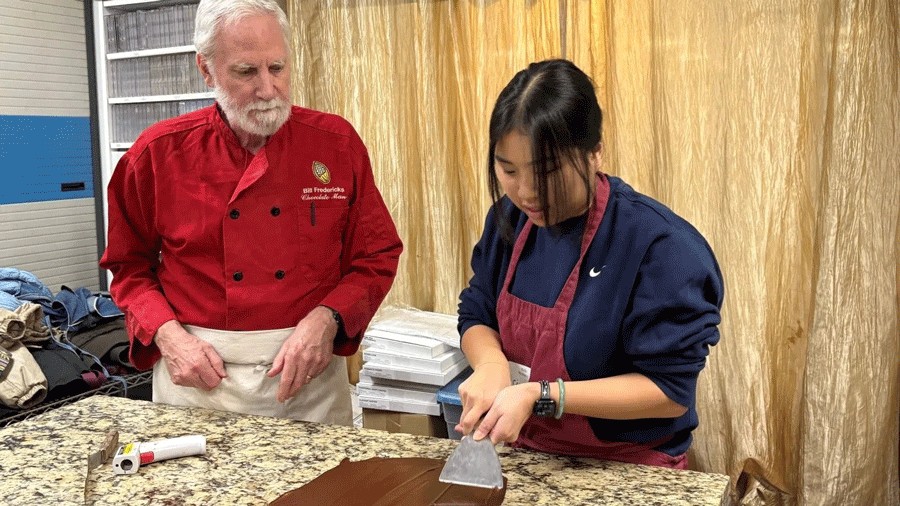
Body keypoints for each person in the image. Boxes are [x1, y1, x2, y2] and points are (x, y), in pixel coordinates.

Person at [100, 0, 402, 425]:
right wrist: (167, 337)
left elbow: (377, 255)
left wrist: (329, 319)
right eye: (246, 72)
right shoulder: (156, 154)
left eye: (277, 68)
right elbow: (129, 267)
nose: (267, 89)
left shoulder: (334, 144)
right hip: (197, 380)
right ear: (205, 69)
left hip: (307, 379)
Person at [455, 59, 723, 468]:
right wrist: (490, 365)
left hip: (628, 464)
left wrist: (541, 395)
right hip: (527, 454)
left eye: (546, 171)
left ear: (595, 152)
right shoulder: (509, 220)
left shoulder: (661, 247)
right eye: (507, 169)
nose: (526, 193)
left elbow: (669, 392)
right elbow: (477, 311)